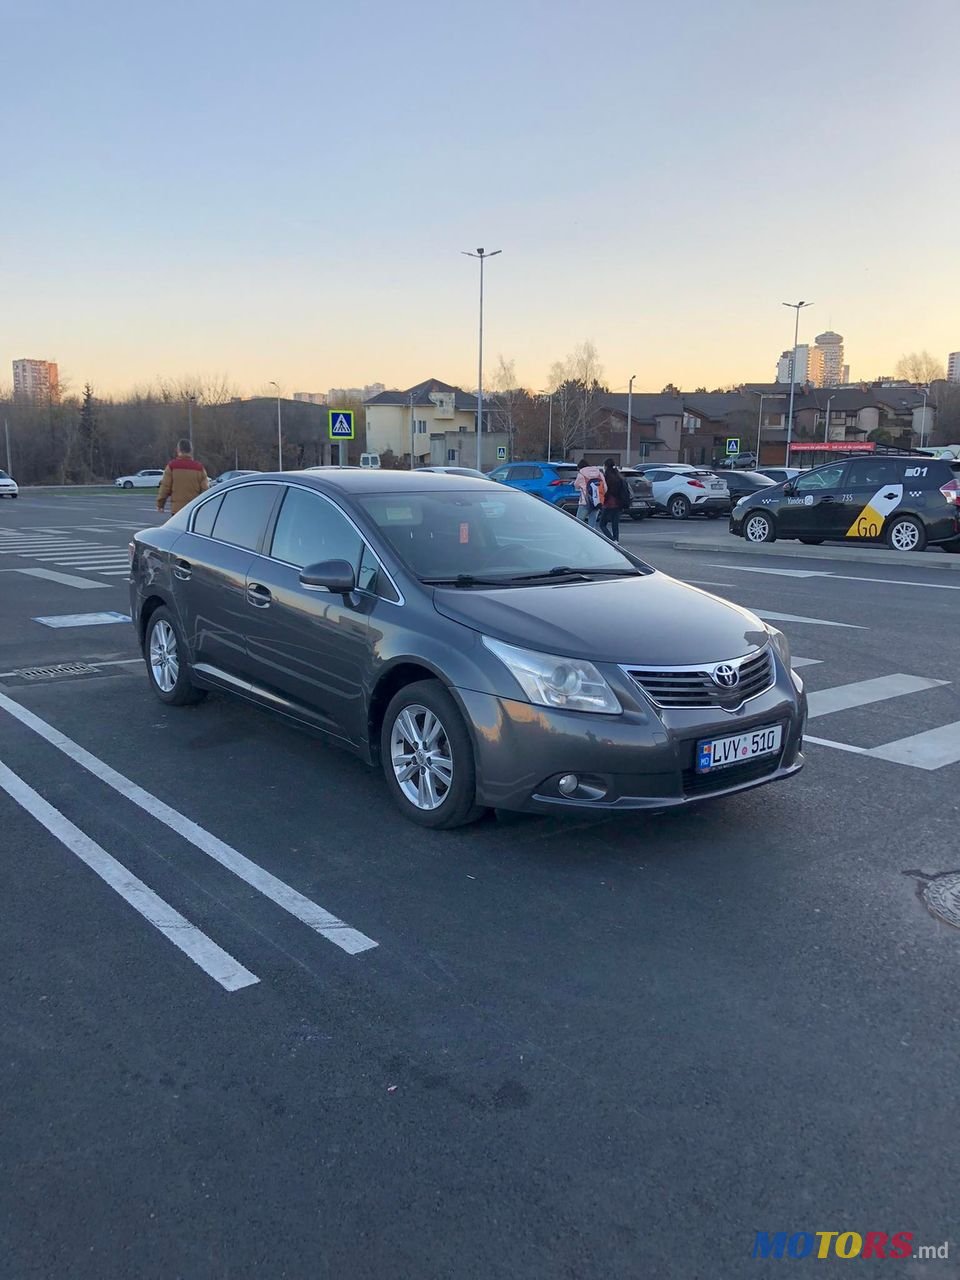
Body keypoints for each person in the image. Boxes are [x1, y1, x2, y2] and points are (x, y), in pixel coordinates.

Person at [157, 439, 210, 515]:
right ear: (191, 450)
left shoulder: (172, 466)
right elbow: (205, 490)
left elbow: (165, 487)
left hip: (177, 510)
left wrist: (160, 504)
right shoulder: (200, 468)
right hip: (194, 509)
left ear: (178, 450)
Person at [598, 458, 630, 542]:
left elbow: (605, 490)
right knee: (615, 524)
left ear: (605, 466)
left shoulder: (607, 477)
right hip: (619, 503)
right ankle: (616, 540)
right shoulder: (619, 476)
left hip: (609, 503)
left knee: (602, 524)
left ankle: (611, 540)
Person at [574, 458, 605, 528]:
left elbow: (576, 485)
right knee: (592, 523)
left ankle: (580, 536)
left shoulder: (581, 474)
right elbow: (605, 488)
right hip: (597, 501)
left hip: (585, 501)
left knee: (578, 522)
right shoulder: (599, 473)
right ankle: (591, 537)